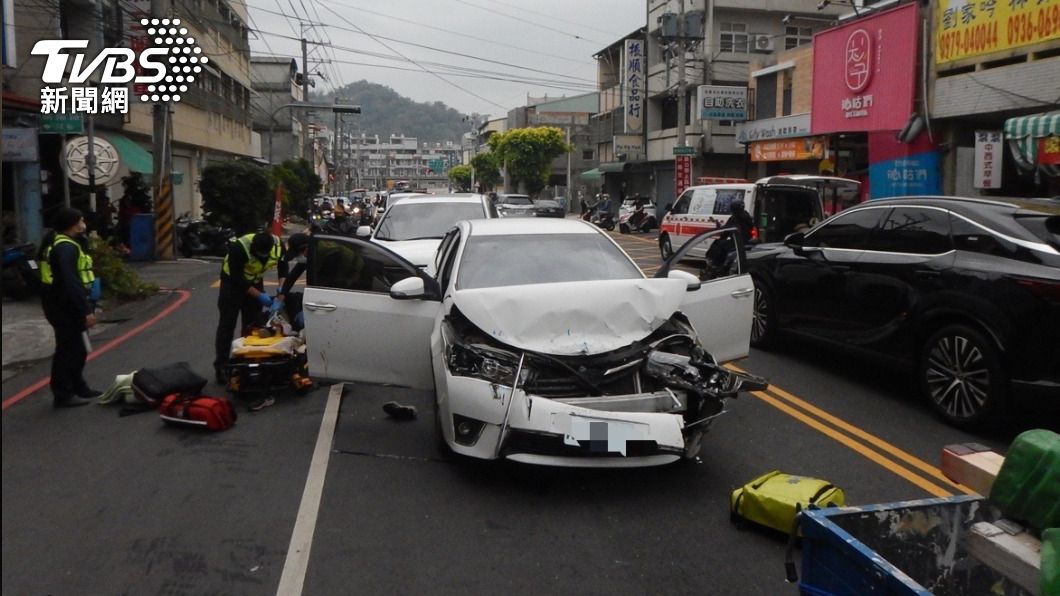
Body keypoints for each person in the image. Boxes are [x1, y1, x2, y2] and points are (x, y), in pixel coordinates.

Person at [214, 231, 287, 400]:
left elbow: (283, 268)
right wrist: (260, 296)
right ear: (254, 247)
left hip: (255, 280)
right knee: (227, 324)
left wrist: (281, 291)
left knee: (252, 324)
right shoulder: (239, 248)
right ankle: (222, 366)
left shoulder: (278, 245)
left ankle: (247, 362)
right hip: (232, 285)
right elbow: (239, 279)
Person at [38, 208, 99, 408]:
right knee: (68, 349)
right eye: (81, 220)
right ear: (73, 224)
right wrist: (85, 310)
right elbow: (70, 281)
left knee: (79, 348)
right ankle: (63, 393)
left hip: (64, 302)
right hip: (64, 305)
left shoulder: (64, 242)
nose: (84, 223)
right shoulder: (65, 247)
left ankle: (78, 386)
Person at [706, 198, 754, 271]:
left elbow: (726, 232)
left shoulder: (734, 218)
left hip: (736, 242)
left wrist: (722, 235)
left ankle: (717, 265)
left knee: (718, 244)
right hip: (747, 241)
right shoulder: (748, 217)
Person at [279, 233, 310, 330]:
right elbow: (292, 277)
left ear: (306, 248)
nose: (297, 258)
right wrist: (282, 294)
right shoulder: (308, 258)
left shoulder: (323, 258)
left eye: (297, 254)